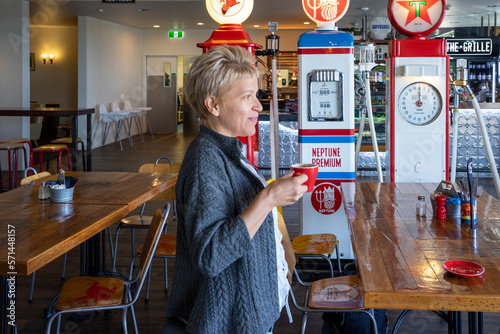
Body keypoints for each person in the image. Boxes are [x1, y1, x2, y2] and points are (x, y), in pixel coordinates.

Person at [165, 45, 308, 333]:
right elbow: (211, 255)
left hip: (245, 317)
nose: (258, 106)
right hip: (225, 322)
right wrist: (268, 198)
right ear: (213, 105)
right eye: (247, 97)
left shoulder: (227, 149)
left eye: (257, 95)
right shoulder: (204, 161)